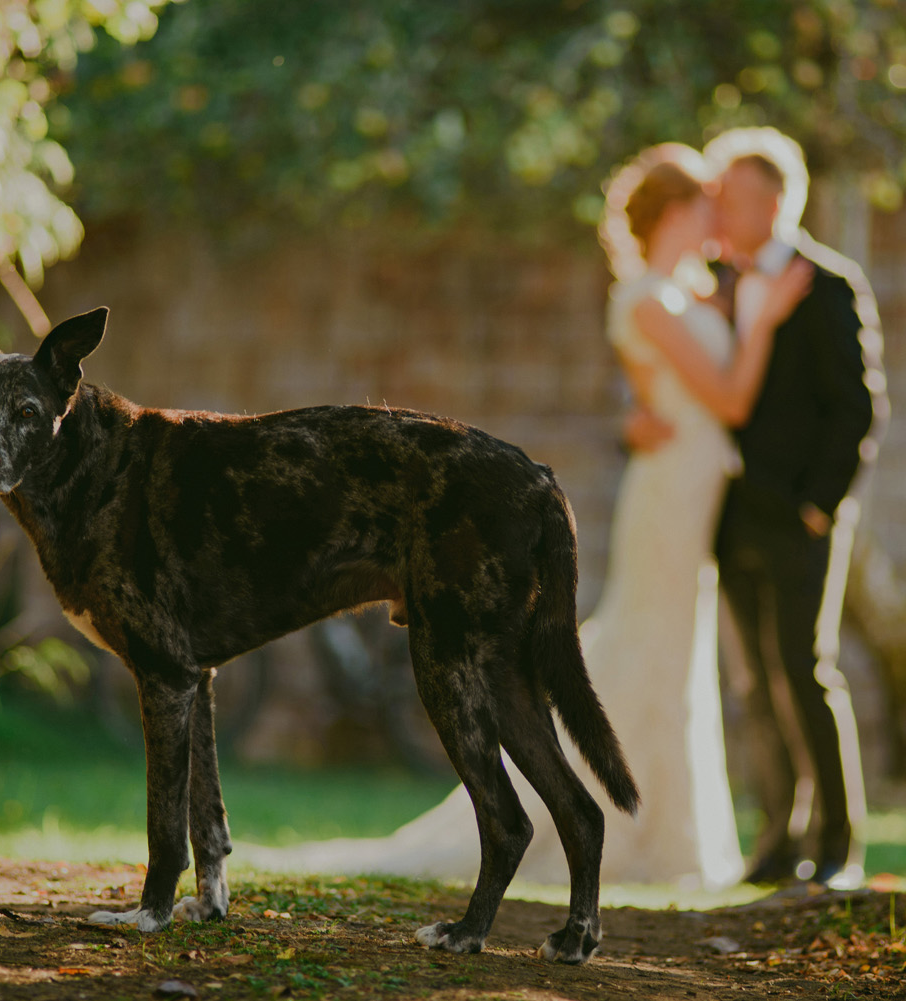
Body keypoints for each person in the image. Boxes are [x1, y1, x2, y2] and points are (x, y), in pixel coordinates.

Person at [241, 143, 814, 888]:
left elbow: (665, 388)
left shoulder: (691, 292)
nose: (720, 219)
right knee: (650, 644)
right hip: (671, 492)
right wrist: (764, 323)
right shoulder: (646, 296)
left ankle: (667, 825)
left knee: (674, 648)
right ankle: (628, 823)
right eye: (708, 203)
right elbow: (729, 398)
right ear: (678, 211)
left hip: (695, 484)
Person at [698, 127, 885, 890]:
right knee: (751, 685)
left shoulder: (830, 283)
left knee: (806, 673)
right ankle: (776, 839)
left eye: (732, 197)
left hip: (801, 518)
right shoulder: (712, 279)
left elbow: (858, 407)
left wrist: (819, 503)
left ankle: (838, 845)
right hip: (731, 517)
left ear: (776, 201)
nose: (721, 211)